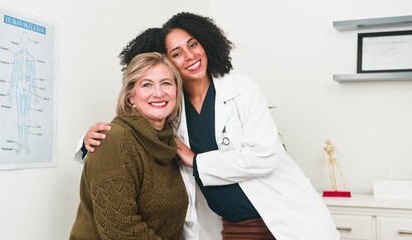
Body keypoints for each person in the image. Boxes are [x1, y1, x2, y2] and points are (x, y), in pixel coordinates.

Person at [75, 13, 340, 240]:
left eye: (193, 44)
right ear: (167, 62)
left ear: (206, 43)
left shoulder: (241, 90)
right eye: (176, 53)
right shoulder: (171, 109)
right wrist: (87, 142)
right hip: (232, 227)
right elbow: (135, 132)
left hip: (285, 217)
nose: (189, 56)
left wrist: (196, 161)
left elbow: (265, 154)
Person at [70, 52, 188, 240]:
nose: (159, 93)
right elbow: (120, 230)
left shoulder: (168, 144)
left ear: (176, 91)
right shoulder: (113, 139)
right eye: (147, 84)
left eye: (166, 83)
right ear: (131, 96)